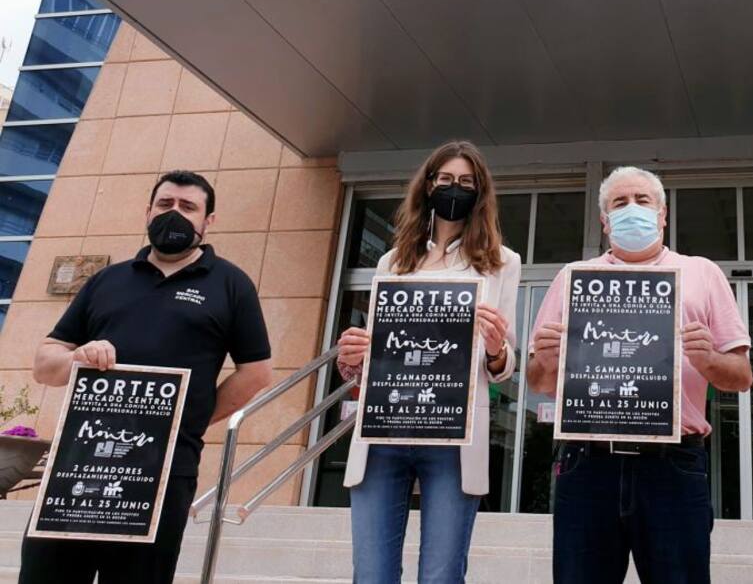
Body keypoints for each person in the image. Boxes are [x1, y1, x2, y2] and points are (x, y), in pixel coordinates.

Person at [20, 170, 273, 584]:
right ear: (148, 211)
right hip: (78, 466)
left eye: (188, 207)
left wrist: (183, 421)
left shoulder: (231, 284)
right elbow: (45, 363)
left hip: (164, 471)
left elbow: (257, 372)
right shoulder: (107, 279)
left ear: (208, 221)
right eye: (165, 204)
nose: (174, 213)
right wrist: (77, 358)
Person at [527, 165, 753, 584]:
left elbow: (741, 377)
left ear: (662, 214)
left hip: (673, 465)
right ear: (604, 220)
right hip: (587, 463)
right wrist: (545, 359)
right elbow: (538, 382)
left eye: (642, 200)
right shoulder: (574, 278)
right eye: (620, 202)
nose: (632, 208)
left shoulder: (702, 273)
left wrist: (709, 360)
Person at [336, 140, 519, 584]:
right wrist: (353, 358)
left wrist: (497, 349)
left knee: (441, 574)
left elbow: (505, 363)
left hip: (454, 436)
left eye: (467, 182)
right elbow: (378, 354)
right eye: (446, 179)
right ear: (428, 185)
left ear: (480, 193)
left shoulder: (501, 263)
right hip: (385, 430)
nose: (455, 189)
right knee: (371, 574)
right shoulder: (392, 261)